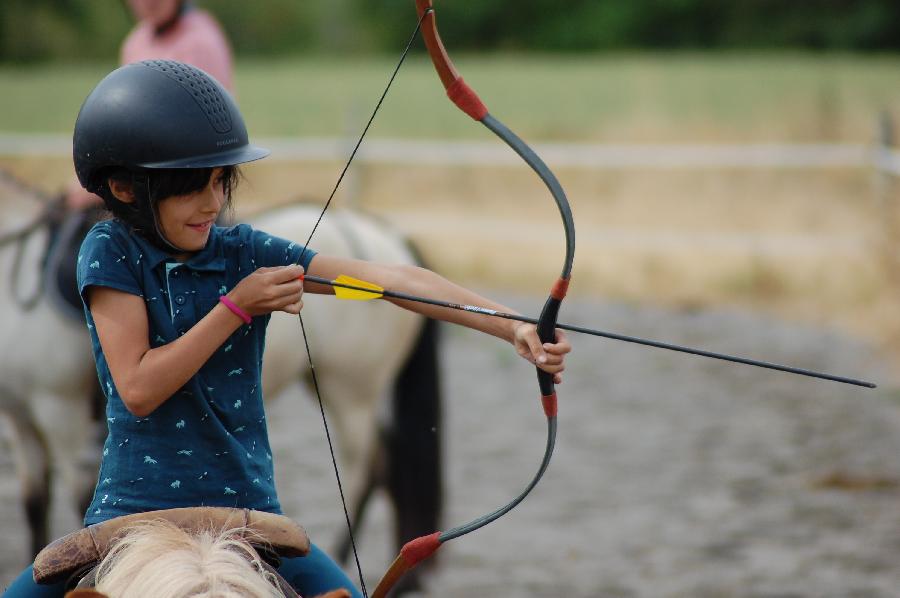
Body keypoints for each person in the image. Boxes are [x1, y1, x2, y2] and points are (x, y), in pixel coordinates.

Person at [3, 61, 571, 597]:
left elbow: (388, 280)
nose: (213, 201)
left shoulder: (243, 251)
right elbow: (140, 388)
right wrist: (237, 307)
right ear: (126, 189)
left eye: (223, 181)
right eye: (191, 186)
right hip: (130, 515)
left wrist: (509, 324)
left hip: (250, 515)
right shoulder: (111, 251)